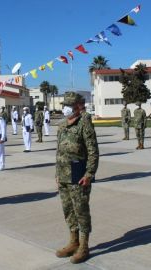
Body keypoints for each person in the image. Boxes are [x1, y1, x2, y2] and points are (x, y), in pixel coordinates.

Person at [55, 92, 99, 264]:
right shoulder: (61, 126)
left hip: (79, 174)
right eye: (63, 105)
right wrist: (57, 174)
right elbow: (59, 152)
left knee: (81, 211)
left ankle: (84, 246)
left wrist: (89, 174)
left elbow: (93, 152)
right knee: (68, 210)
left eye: (67, 106)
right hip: (64, 175)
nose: (64, 109)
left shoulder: (84, 125)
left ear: (75, 107)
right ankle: (73, 242)